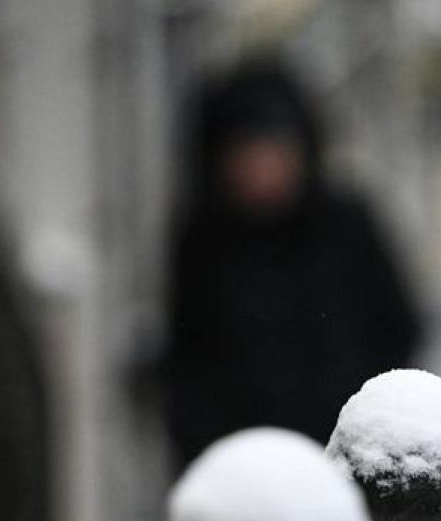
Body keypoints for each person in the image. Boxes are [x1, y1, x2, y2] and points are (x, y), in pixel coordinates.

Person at [166, 60, 423, 468]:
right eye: (245, 153)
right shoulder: (203, 241)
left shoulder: (346, 226)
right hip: (240, 469)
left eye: (273, 151)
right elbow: (188, 356)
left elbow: (398, 327)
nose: (260, 169)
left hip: (342, 457)